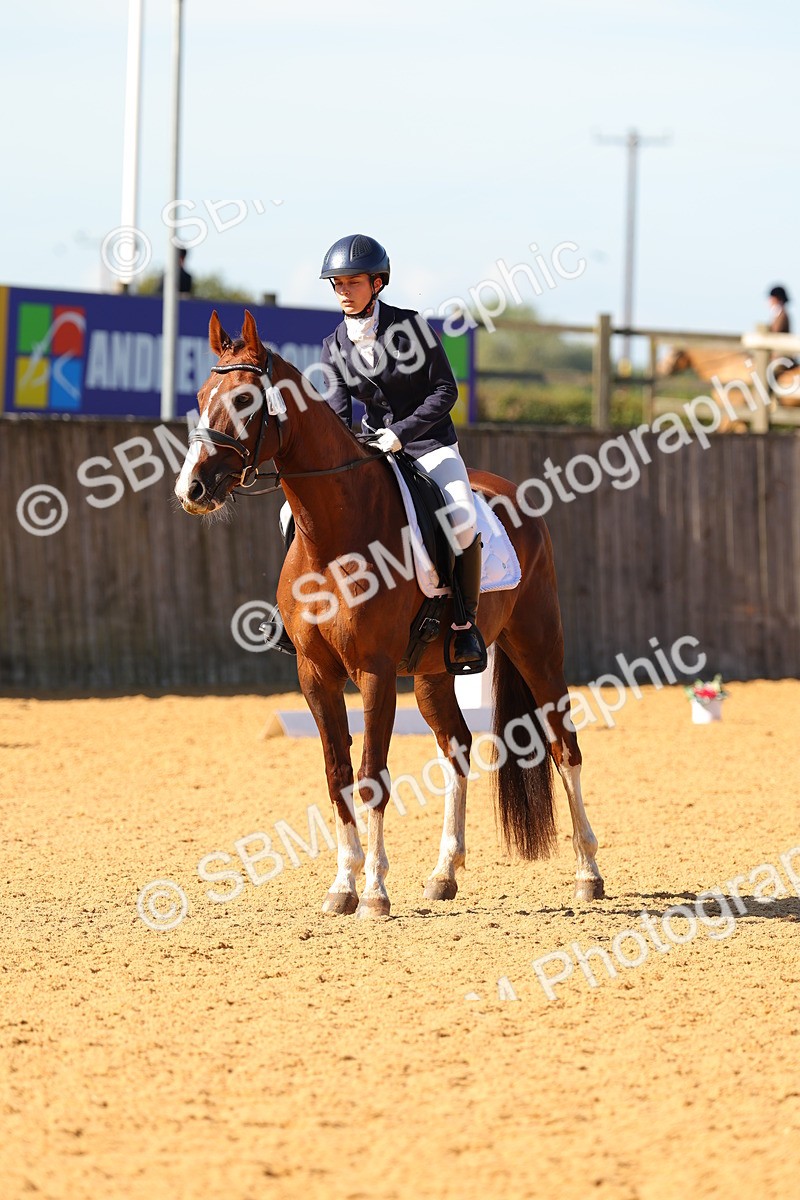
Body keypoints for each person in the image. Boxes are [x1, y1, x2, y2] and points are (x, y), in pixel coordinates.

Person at [263, 233, 486, 669]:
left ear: (377, 283)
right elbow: (337, 412)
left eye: (353, 283)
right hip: (371, 448)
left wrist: (400, 433)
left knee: (460, 516)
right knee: (291, 512)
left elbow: (445, 391)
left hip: (427, 444)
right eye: (338, 285)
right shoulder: (334, 345)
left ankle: (464, 623)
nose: (344, 292)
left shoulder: (411, 328)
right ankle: (294, 610)